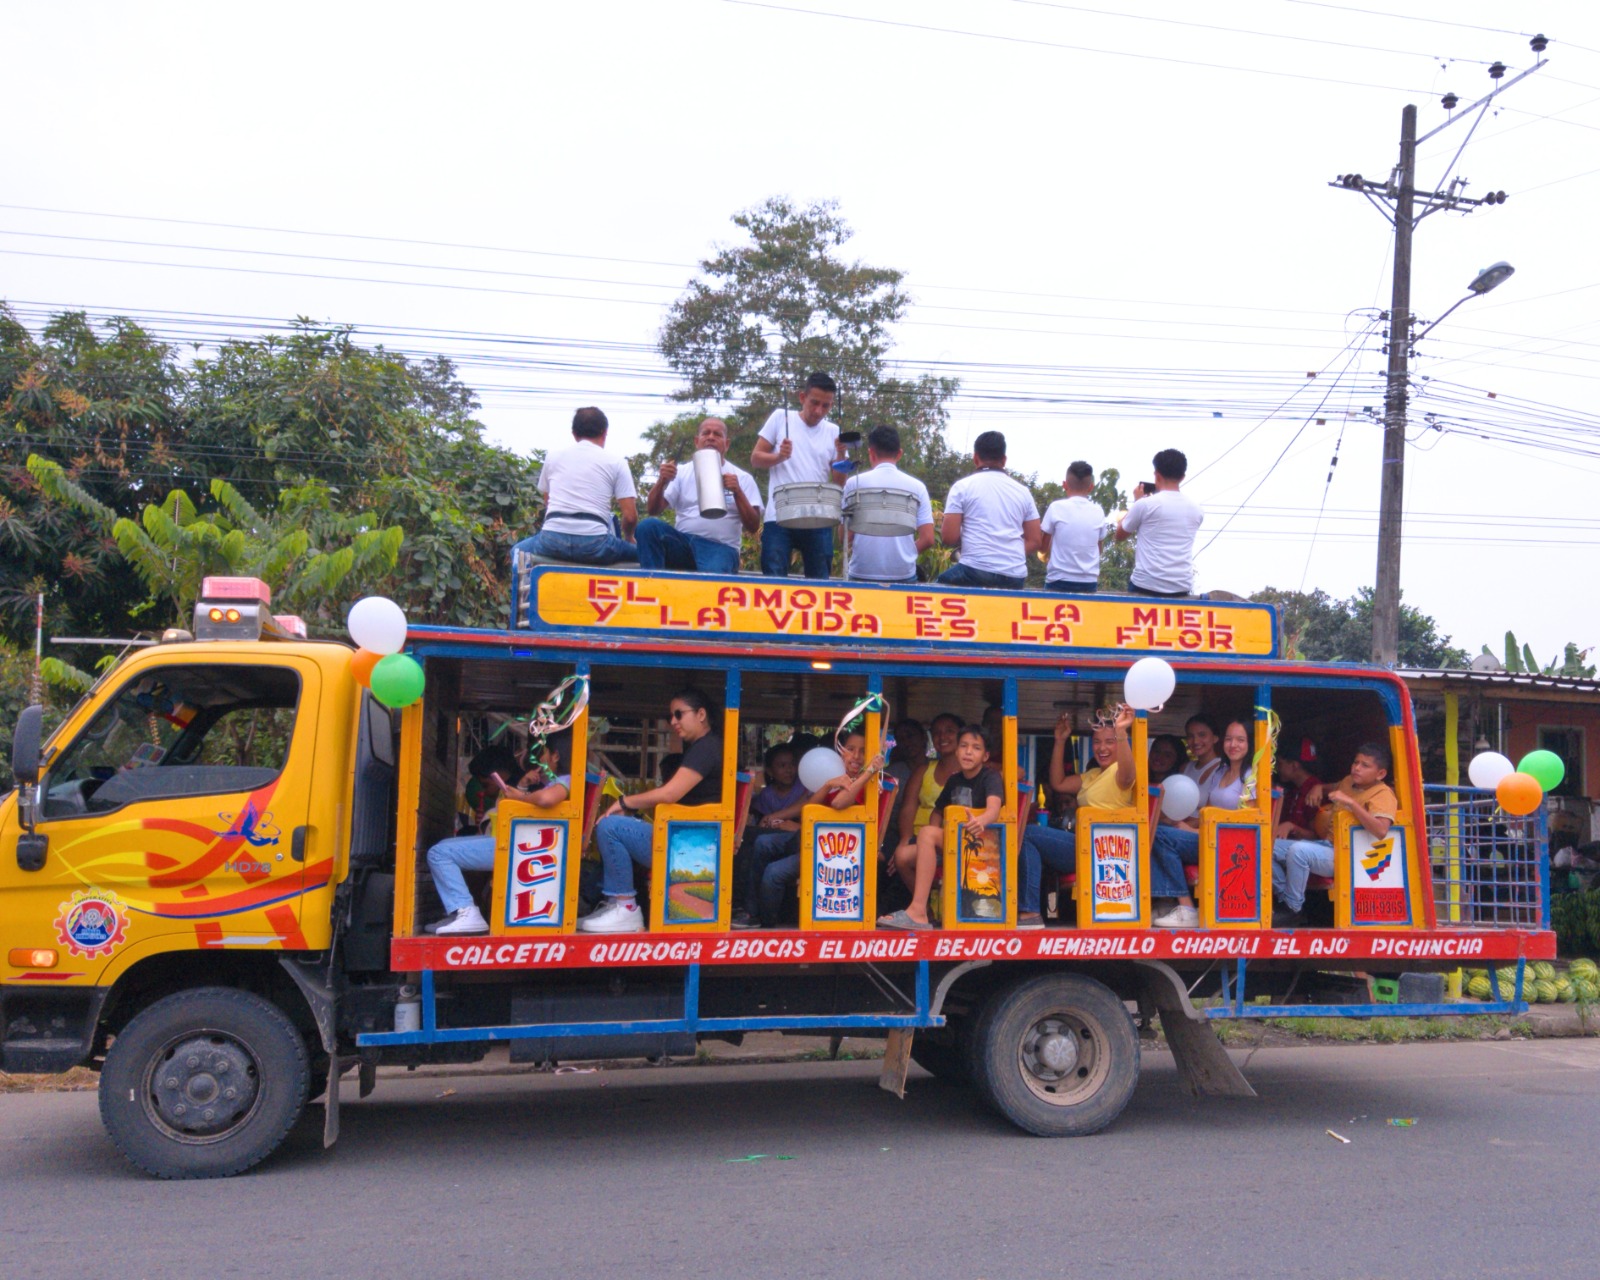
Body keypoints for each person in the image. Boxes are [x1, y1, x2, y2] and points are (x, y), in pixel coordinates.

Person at [581, 690, 723, 934]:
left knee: (609, 826)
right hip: (689, 838)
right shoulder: (705, 746)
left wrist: (625, 802)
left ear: (701, 714)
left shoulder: (707, 748)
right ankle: (616, 902)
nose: (673, 721)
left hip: (689, 845)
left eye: (679, 714)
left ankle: (625, 907)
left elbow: (670, 793)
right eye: (670, 716)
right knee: (617, 824)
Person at [424, 733, 572, 936]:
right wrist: (522, 787)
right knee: (444, 846)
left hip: (522, 847)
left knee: (439, 853)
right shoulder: (554, 782)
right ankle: (459, 910)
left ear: (556, 756)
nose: (540, 758)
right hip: (522, 844)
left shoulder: (565, 781)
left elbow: (545, 800)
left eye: (544, 752)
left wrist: (521, 795)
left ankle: (466, 911)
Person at [750, 730, 884, 927]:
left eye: (863, 751)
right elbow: (809, 808)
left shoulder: (868, 783)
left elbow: (838, 803)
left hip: (831, 853)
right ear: (841, 751)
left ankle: (767, 925)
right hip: (810, 839)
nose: (856, 756)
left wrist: (870, 770)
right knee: (762, 842)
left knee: (773, 873)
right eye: (850, 749)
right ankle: (751, 912)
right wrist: (828, 784)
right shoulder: (837, 775)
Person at [1018, 708, 1137, 928]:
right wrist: (1060, 741)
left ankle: (1030, 910)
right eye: (1097, 742)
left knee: (1028, 834)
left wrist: (1121, 732)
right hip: (1084, 844)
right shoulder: (1093, 774)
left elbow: (1129, 774)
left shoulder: (1120, 772)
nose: (1102, 748)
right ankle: (1032, 910)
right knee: (1028, 835)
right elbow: (1058, 783)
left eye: (1109, 742)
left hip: (1106, 850)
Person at [880, 725, 1005, 930]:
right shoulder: (954, 779)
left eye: (976, 748)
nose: (968, 752)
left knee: (927, 833)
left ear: (985, 756)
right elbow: (938, 811)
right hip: (955, 840)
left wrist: (981, 820)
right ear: (957, 751)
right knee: (902, 856)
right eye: (963, 746)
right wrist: (930, 841)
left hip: (982, 842)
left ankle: (917, 911)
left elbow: (994, 808)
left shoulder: (990, 777)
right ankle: (925, 911)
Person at [1272, 742, 1398, 928]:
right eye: (1356, 762)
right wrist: (1318, 788)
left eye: (1365, 765)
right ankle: (1286, 900)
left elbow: (1381, 830)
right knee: (1266, 846)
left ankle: (1292, 908)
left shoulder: (1383, 794)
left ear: (1380, 774)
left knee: (1299, 851)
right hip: (1325, 846)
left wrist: (1352, 804)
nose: (1357, 768)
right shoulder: (1349, 781)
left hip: (1349, 856)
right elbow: (1329, 788)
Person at [1150, 719, 1254, 928]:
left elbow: (1246, 822)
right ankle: (1165, 901)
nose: (1233, 745)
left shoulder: (1251, 776)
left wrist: (1193, 831)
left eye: (1240, 740)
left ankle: (1187, 907)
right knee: (1153, 831)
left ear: (1250, 743)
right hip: (1209, 838)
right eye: (1229, 739)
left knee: (1160, 835)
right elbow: (1207, 813)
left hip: (1231, 845)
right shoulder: (1221, 772)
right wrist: (1182, 824)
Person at [513, 407, 639, 571]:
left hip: (552, 541)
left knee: (517, 552)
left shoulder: (552, 457)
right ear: (604, 432)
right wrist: (629, 537)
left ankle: (527, 587)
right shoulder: (617, 463)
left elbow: (547, 502)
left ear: (574, 434)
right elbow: (630, 517)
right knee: (645, 554)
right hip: (596, 544)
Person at [636, 417, 763, 574]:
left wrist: (737, 492)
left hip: (720, 548)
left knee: (712, 577)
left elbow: (753, 526)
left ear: (727, 444)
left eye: (717, 434)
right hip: (683, 543)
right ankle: (653, 582)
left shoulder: (742, 478)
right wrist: (662, 481)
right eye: (706, 433)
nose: (711, 437)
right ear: (697, 441)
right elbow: (653, 510)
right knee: (647, 527)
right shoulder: (681, 472)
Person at [751, 371, 845, 578]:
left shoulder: (833, 431)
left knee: (820, 578)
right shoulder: (780, 417)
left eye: (826, 406)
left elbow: (839, 483)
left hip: (818, 516)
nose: (819, 411)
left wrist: (840, 454)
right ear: (802, 397)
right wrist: (779, 457)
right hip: (779, 516)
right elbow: (755, 458)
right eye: (814, 403)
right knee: (774, 576)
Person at [937, 431, 1042, 590]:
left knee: (934, 588)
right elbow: (1035, 540)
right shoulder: (1023, 492)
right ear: (1004, 460)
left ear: (975, 458)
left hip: (973, 571)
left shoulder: (962, 487)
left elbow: (949, 537)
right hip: (1014, 577)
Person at [841, 424, 935, 584]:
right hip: (903, 575)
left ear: (871, 452)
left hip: (861, 573)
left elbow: (844, 537)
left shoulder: (853, 483)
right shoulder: (918, 487)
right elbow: (928, 538)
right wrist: (906, 554)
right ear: (899, 454)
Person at [729, 743, 809, 928]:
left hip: (802, 837)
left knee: (756, 843)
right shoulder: (767, 795)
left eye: (792, 764)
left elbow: (810, 807)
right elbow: (762, 820)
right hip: (781, 839)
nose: (789, 770)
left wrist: (796, 826)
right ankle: (744, 908)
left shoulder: (805, 788)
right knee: (754, 839)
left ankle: (749, 910)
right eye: (782, 766)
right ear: (771, 771)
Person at [1115, 448, 1204, 597]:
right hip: (1181, 586)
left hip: (1145, 584)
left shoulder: (1144, 504)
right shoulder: (1197, 510)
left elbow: (1119, 535)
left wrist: (1137, 502)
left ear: (1156, 474)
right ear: (1183, 477)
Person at [891, 713, 962, 875]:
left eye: (949, 731)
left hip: (958, 839)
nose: (942, 737)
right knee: (901, 857)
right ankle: (924, 894)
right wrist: (905, 840)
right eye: (936, 733)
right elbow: (908, 808)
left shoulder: (972, 771)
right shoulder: (923, 770)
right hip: (920, 840)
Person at [1040, 460, 1105, 593]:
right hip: (1088, 581)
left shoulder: (1056, 508)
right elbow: (1099, 549)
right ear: (1091, 487)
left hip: (1058, 580)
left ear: (1065, 485)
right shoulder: (1098, 511)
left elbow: (1043, 547)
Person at [1274, 751, 1323, 842]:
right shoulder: (1292, 790)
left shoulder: (1314, 791)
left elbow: (1318, 836)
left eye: (1279, 764)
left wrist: (1292, 827)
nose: (1276, 768)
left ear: (1294, 765)